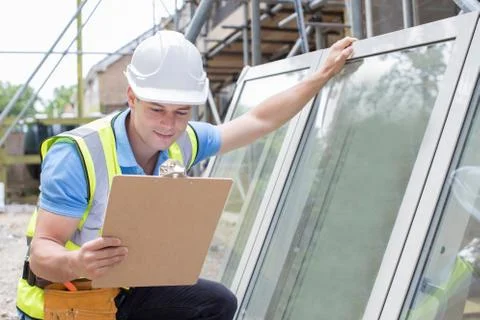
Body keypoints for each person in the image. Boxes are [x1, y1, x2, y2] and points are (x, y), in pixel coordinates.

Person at [16, 30, 355, 320]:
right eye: (157, 109)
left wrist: (319, 77)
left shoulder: (183, 140)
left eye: (181, 112)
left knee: (216, 303)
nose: (169, 125)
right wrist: (78, 262)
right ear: (131, 97)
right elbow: (44, 255)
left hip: (120, 290)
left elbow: (258, 121)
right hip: (64, 299)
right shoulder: (77, 154)